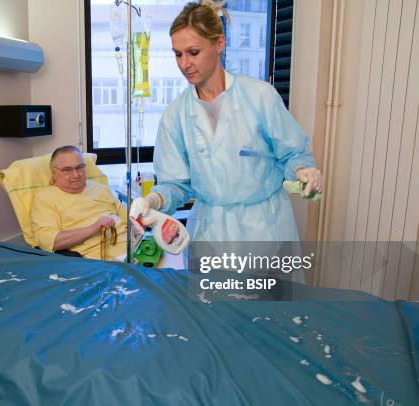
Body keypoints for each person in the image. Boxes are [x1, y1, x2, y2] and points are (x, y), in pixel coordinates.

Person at [130, 0, 322, 243]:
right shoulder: (175, 116)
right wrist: (152, 201)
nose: (184, 64)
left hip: (264, 228)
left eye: (193, 52)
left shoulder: (259, 96)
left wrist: (304, 170)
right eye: (177, 54)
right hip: (211, 232)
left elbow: (293, 153)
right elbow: (176, 184)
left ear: (220, 43)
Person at [31, 146, 127, 260]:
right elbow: (49, 241)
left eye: (80, 167)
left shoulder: (100, 188)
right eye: (67, 170)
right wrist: (92, 229)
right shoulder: (46, 198)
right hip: (101, 263)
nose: (76, 175)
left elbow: (129, 220)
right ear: (54, 173)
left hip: (136, 250)